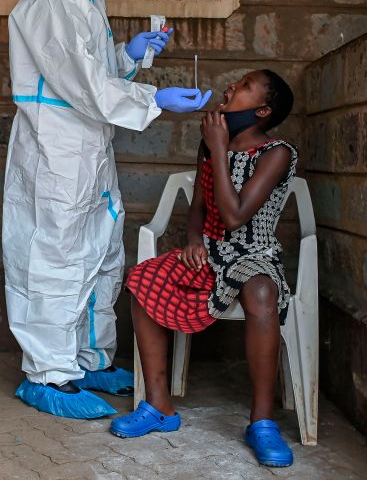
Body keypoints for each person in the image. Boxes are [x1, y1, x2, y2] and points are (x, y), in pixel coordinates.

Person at [3, 0, 209, 419]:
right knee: (56, 259)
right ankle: (48, 372)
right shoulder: (56, 1)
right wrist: (155, 98)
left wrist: (132, 54)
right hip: (57, 150)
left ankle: (87, 360)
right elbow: (87, 86)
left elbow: (94, 72)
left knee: (100, 255)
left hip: (87, 148)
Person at [114, 70, 298, 468]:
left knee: (262, 291)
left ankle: (263, 422)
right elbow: (199, 204)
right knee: (143, 280)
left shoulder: (276, 153)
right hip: (212, 251)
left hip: (254, 252)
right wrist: (194, 240)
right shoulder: (209, 145)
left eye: (244, 87)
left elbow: (235, 218)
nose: (230, 87)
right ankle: (160, 405)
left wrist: (218, 149)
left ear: (263, 111)